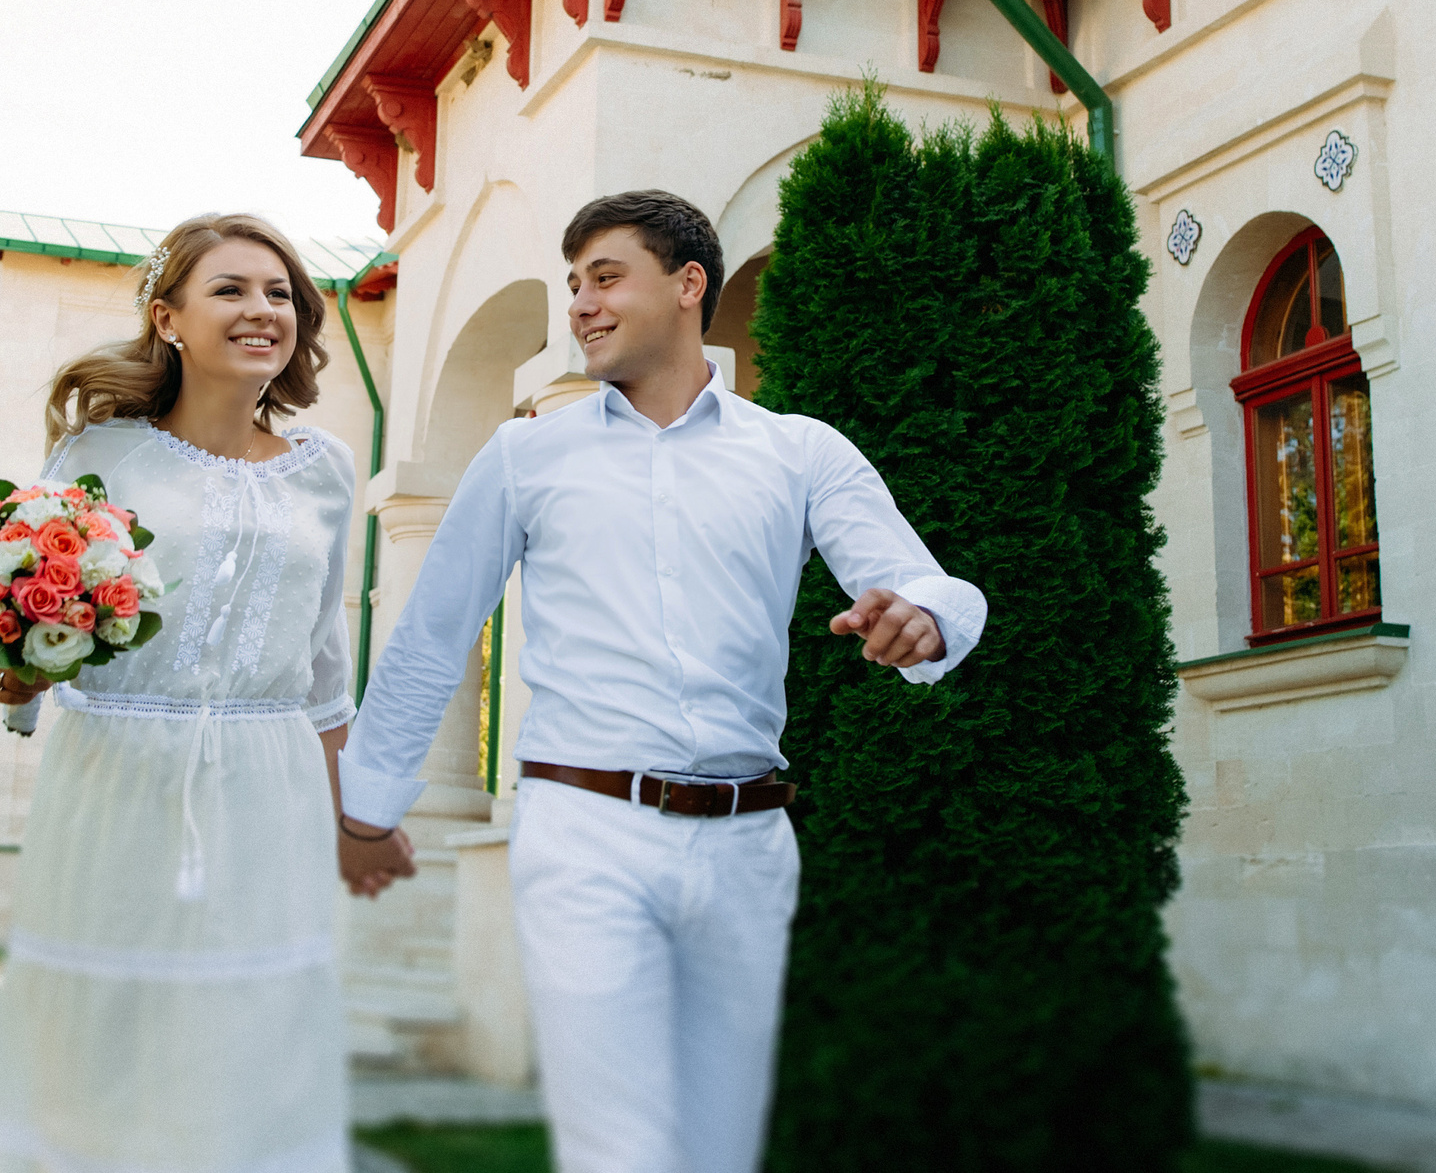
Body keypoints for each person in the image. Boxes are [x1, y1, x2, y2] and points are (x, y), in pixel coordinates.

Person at [337, 190, 986, 1173]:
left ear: (689, 284)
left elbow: (922, 578)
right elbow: (432, 635)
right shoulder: (525, 454)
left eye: (604, 277)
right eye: (573, 286)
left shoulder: (798, 451)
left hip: (750, 844)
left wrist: (926, 621)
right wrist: (365, 809)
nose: (581, 305)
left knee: (718, 1144)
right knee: (621, 1148)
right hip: (584, 829)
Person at [0, 213, 373, 1173]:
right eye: (230, 289)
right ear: (170, 317)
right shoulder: (100, 455)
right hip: (116, 773)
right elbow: (24, 638)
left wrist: (354, 818)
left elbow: (323, 666)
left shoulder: (329, 471)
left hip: (267, 782)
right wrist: (14, 670)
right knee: (105, 1028)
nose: (261, 309)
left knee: (250, 1028)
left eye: (279, 293)